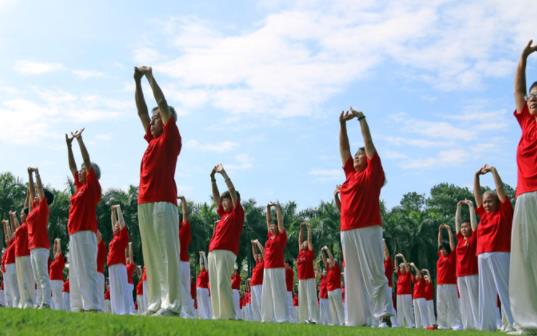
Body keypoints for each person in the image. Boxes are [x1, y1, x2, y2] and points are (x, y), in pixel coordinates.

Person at [134, 65, 182, 316]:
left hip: (164, 201)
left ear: (165, 121)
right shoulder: (152, 141)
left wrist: (150, 77)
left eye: (156, 119)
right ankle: (155, 303)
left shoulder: (170, 138)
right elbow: (141, 110)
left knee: (167, 253)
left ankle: (171, 304)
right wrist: (136, 82)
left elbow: (161, 103)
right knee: (151, 255)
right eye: (151, 120)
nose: (151, 122)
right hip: (145, 201)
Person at [338, 107, 388, 326]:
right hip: (347, 231)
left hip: (369, 228)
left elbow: (368, 143)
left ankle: (384, 316)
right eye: (355, 156)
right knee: (353, 277)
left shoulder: (372, 173)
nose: (356, 157)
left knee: (375, 273)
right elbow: (344, 148)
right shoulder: (350, 175)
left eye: (360, 156)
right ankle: (357, 320)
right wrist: (342, 124)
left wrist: (360, 118)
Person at [511, 39, 537, 332]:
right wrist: (523, 57)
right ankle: (529, 319)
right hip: (525, 195)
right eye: (532, 96)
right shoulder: (527, 123)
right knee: (527, 257)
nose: (533, 99)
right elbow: (518, 90)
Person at [473, 164, 515, 331]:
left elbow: (499, 188)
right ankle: (487, 326)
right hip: (482, 254)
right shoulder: (483, 214)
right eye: (485, 202)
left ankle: (512, 323)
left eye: (490, 201)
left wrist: (493, 171)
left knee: (503, 290)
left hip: (500, 253)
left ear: (497, 201)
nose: (487, 204)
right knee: (486, 292)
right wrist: (476, 176)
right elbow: (476, 194)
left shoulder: (504, 211)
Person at [65, 128, 102, 312]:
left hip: (86, 232)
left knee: (87, 269)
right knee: (75, 271)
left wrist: (79, 141)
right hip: (74, 233)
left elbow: (86, 162)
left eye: (83, 170)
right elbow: (72, 166)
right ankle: (77, 305)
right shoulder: (80, 187)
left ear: (90, 174)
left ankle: (92, 305)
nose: (79, 171)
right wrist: (69, 147)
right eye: (80, 170)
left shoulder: (92, 186)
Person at [207, 163, 244, 319]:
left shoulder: (237, 213)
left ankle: (229, 316)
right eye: (223, 200)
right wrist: (212, 179)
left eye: (226, 200)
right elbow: (216, 197)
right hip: (213, 251)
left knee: (223, 284)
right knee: (214, 286)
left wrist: (223, 174)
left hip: (226, 252)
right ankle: (218, 316)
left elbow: (232, 193)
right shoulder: (223, 215)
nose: (223, 202)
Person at [26, 167, 54, 308]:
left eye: (39, 193)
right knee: (37, 277)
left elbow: (40, 191)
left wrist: (37, 174)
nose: (36, 195)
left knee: (43, 275)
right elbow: (32, 191)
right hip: (33, 246)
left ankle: (46, 302)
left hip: (41, 246)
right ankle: (40, 302)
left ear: (45, 199)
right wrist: (29, 175)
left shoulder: (43, 208)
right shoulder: (33, 208)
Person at [261, 203, 288, 323]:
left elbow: (280, 222)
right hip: (267, 268)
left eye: (273, 226)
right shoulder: (269, 237)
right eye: (270, 227)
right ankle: (267, 318)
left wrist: (277, 209)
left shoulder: (281, 237)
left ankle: (281, 318)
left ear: (277, 228)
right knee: (266, 293)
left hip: (277, 268)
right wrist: (267, 209)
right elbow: (267, 221)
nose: (271, 228)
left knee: (277, 293)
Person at [455, 200, 479, 329]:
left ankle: (478, 323)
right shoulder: (459, 239)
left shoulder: (473, 237)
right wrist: (458, 207)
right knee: (464, 301)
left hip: (472, 273)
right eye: (463, 227)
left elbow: (474, 224)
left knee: (474, 299)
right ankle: (468, 325)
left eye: (466, 227)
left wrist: (470, 206)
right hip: (460, 274)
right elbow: (457, 223)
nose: (464, 229)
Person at [436, 224, 462, 330]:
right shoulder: (440, 256)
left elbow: (452, 244)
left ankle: (455, 324)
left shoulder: (452, 255)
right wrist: (440, 231)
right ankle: (443, 324)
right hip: (440, 284)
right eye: (441, 249)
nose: (442, 250)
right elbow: (439, 242)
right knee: (440, 304)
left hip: (450, 284)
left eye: (444, 249)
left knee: (452, 304)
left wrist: (449, 230)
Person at [107, 205, 130, 315]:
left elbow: (121, 222)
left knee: (121, 288)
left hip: (120, 264)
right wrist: (112, 213)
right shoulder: (114, 237)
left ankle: (124, 310)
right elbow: (113, 223)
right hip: (111, 265)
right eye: (115, 225)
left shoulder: (123, 236)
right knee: (114, 289)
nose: (116, 225)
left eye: (118, 225)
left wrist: (118, 209)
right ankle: (116, 311)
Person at [12, 206, 35, 309]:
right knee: (21, 280)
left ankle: (29, 302)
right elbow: (17, 228)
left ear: (26, 215)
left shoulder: (29, 225)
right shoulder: (22, 227)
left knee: (27, 279)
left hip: (25, 255)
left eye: (21, 214)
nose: (20, 215)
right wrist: (13, 217)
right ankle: (23, 302)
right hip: (18, 256)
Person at [177, 196, 196, 318]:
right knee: (181, 287)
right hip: (179, 262)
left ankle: (187, 310)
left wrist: (183, 200)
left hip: (182, 262)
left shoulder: (183, 230)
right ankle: (183, 310)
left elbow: (185, 214)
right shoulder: (172, 233)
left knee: (183, 287)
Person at [297, 222, 318, 324]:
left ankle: (313, 318)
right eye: (303, 243)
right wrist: (301, 229)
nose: (304, 243)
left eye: (306, 242)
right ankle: (304, 319)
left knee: (311, 299)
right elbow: (300, 240)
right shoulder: (300, 252)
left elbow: (309, 240)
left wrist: (309, 229)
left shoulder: (310, 252)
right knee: (303, 299)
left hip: (310, 278)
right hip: (301, 279)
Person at [321, 246, 344, 326]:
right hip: (330, 290)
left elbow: (331, 257)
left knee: (338, 306)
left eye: (329, 260)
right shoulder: (328, 268)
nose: (327, 261)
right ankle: (335, 322)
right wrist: (322, 252)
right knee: (332, 307)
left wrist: (327, 249)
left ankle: (342, 322)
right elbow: (324, 260)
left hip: (336, 289)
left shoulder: (335, 267)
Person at [394, 253, 414, 327]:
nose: (400, 269)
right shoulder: (399, 274)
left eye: (402, 267)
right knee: (400, 310)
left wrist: (402, 257)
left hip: (406, 294)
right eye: (400, 268)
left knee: (407, 309)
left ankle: (411, 324)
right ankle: (400, 324)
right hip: (399, 295)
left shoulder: (407, 274)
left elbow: (407, 266)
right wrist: (395, 258)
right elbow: (395, 266)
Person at [2, 218, 19, 307]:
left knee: (12, 289)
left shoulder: (15, 241)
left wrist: (12, 219)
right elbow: (6, 235)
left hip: (12, 265)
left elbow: (15, 229)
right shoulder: (9, 244)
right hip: (6, 268)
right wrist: (5, 225)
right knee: (7, 290)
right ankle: (9, 306)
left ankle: (14, 305)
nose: (9, 236)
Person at [382, 240, 398, 327]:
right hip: (384, 286)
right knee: (388, 306)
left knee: (388, 306)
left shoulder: (388, 262)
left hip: (388, 286)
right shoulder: (382, 264)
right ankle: (392, 323)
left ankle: (393, 323)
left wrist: (383, 242)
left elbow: (386, 252)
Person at [409, 263, 428, 329]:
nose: (416, 276)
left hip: (421, 298)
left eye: (417, 275)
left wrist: (414, 266)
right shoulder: (415, 282)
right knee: (416, 313)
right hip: (415, 298)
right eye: (416, 275)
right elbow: (410, 273)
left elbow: (418, 272)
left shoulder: (422, 280)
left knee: (422, 312)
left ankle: (425, 326)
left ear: (421, 275)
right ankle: (418, 326)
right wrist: (409, 267)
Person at [49, 238, 65, 310]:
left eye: (55, 250)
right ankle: (57, 310)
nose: (54, 251)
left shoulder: (60, 258)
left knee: (58, 298)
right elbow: (54, 251)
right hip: (53, 281)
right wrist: (54, 246)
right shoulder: (54, 260)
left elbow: (58, 251)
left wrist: (58, 242)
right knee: (55, 299)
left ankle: (60, 310)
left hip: (57, 281)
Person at [250, 239, 264, 321]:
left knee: (260, 302)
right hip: (253, 285)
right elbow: (254, 254)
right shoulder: (257, 264)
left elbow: (263, 252)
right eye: (258, 256)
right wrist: (253, 245)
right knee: (254, 303)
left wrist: (258, 243)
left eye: (260, 256)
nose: (258, 257)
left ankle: (263, 317)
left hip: (259, 285)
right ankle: (257, 318)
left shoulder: (264, 263)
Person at [196, 251, 211, 320]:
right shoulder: (200, 272)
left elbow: (206, 264)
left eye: (203, 265)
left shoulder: (207, 272)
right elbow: (200, 263)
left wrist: (204, 256)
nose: (201, 265)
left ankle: (207, 316)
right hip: (198, 289)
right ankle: (201, 316)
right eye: (201, 265)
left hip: (204, 289)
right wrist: (200, 256)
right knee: (200, 303)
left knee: (205, 304)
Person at [96, 230, 107, 311]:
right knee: (96, 292)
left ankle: (100, 308)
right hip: (96, 272)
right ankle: (98, 308)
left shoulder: (101, 245)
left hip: (99, 273)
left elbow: (99, 235)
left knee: (99, 292)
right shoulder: (97, 246)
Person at [126, 243, 136, 314]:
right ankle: (129, 311)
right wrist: (125, 247)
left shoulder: (131, 265)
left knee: (129, 298)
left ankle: (132, 311)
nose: (127, 258)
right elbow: (125, 255)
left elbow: (130, 256)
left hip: (129, 284)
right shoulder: (125, 265)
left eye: (128, 258)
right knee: (127, 298)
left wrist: (130, 246)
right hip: (127, 284)